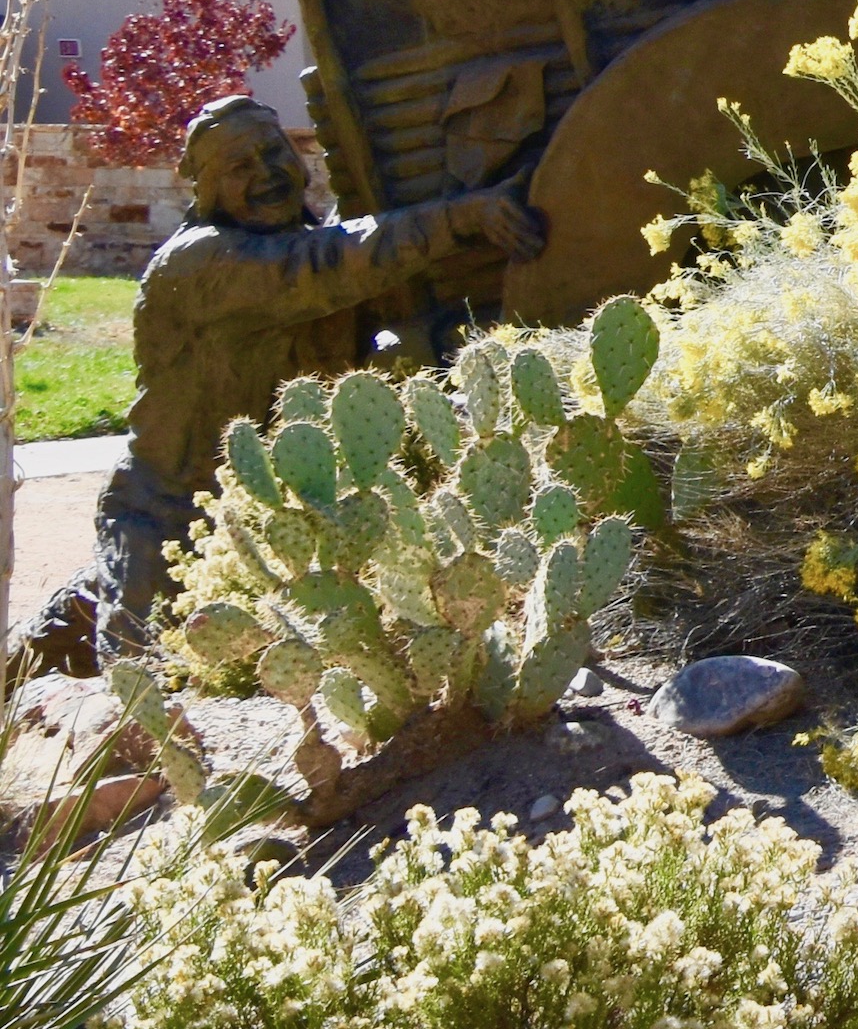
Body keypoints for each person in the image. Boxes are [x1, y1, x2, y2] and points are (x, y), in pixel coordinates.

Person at [16, 96, 545, 674]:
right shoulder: (200, 263)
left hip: (271, 519)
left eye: (274, 152)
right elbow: (328, 267)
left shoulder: (306, 235)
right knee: (138, 682)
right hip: (165, 512)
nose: (266, 173)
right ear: (210, 188)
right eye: (240, 167)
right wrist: (462, 218)